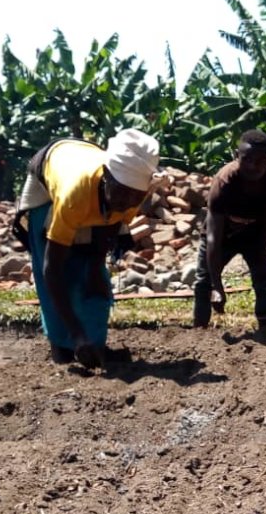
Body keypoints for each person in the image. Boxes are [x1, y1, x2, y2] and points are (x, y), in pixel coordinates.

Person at [15, 128, 159, 369]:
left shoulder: (132, 194)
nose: (125, 203)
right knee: (58, 267)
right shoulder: (74, 194)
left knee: (94, 280)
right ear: (106, 177)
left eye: (133, 198)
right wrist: (76, 334)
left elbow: (112, 222)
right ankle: (62, 346)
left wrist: (94, 267)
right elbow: (52, 268)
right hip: (50, 169)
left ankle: (94, 343)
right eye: (121, 194)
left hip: (87, 170)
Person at [193, 129, 266, 335]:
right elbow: (213, 238)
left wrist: (263, 257)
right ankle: (198, 333)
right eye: (247, 159)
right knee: (204, 282)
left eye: (261, 160)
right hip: (224, 233)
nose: (254, 166)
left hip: (255, 231)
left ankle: (265, 328)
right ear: (237, 156)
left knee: (265, 278)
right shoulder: (224, 182)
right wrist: (217, 286)